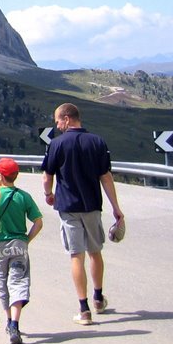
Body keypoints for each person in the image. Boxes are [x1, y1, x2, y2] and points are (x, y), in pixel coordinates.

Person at [41, 103, 125, 325]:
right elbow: (105, 177)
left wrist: (48, 194)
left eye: (58, 121)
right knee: (95, 252)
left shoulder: (56, 144)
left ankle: (83, 308)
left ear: (67, 119)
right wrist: (116, 207)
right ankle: (98, 298)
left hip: (68, 208)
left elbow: (47, 175)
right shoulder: (97, 142)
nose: (57, 125)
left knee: (75, 255)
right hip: (92, 206)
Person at [0, 157, 43, 344]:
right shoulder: (24, 196)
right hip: (19, 245)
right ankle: (15, 323)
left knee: (2, 284)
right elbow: (38, 222)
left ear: (0, 175)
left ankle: (7, 320)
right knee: (18, 282)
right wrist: (26, 240)